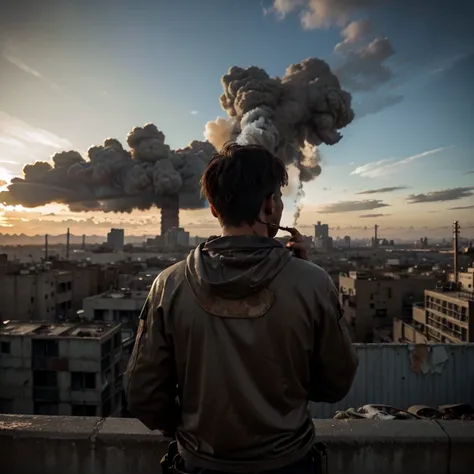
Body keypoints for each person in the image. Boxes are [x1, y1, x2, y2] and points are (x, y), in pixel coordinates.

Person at [126, 143, 358, 474]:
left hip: (198, 464)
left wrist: (190, 429)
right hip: (289, 464)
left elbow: (142, 393)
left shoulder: (168, 284)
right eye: (278, 197)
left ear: (214, 209)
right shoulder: (313, 282)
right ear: (268, 206)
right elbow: (336, 383)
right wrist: (307, 280)